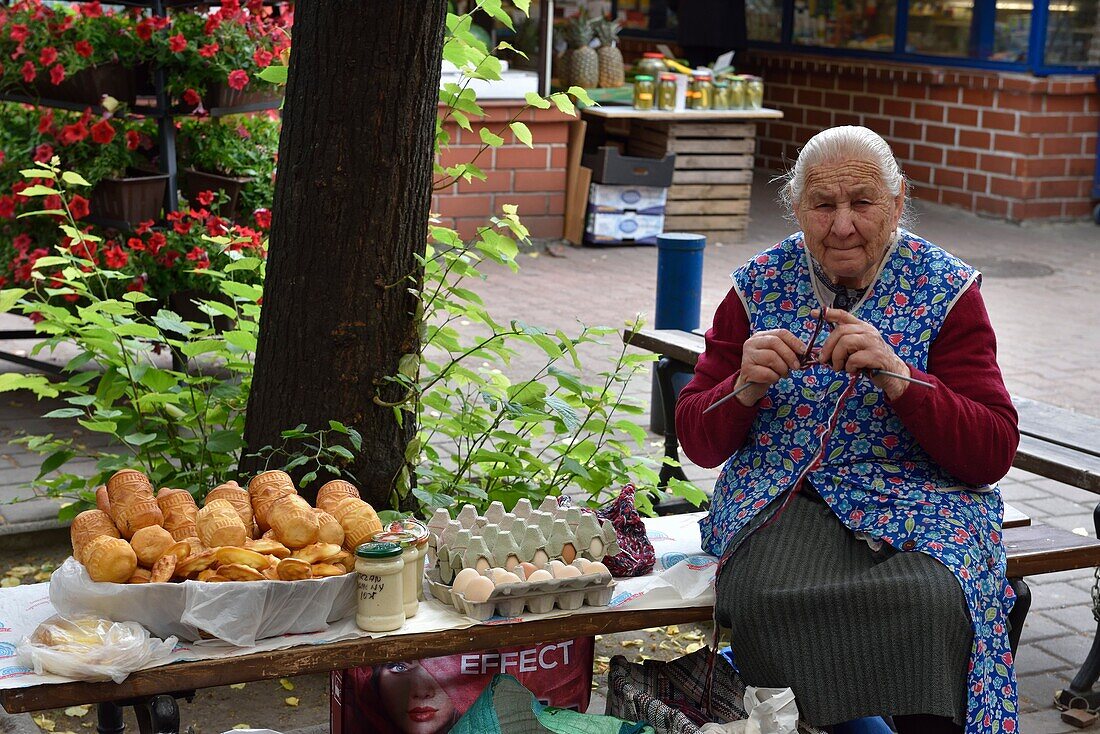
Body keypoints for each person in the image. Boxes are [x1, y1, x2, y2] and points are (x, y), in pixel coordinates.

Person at [674, 126, 1019, 734]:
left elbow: (991, 448)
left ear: (897, 202)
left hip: (922, 500)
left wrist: (900, 376)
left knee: (932, 599)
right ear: (797, 208)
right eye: (823, 205)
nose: (841, 226)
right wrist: (743, 388)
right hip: (786, 497)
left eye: (861, 202)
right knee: (763, 599)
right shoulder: (758, 288)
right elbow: (698, 439)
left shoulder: (946, 289)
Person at [666, 0, 748, 69]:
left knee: (695, 80)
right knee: (724, 79)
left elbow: (673, 3)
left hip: (693, 28)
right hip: (727, 28)